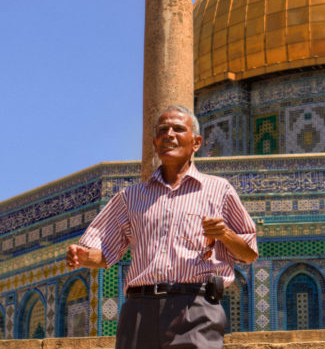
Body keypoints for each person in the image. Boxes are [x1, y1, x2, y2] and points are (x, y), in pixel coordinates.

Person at [66, 105, 257, 349]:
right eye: (163, 130)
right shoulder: (131, 197)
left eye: (178, 129)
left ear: (196, 142)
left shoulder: (219, 191)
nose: (169, 134)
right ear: (155, 143)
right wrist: (83, 255)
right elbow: (104, 253)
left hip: (195, 307)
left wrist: (224, 234)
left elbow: (249, 253)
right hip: (139, 308)